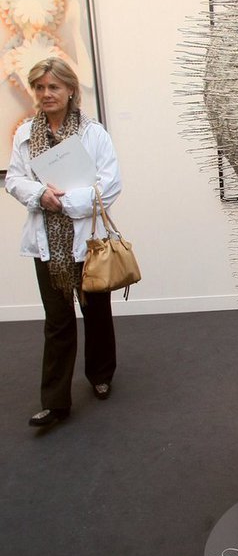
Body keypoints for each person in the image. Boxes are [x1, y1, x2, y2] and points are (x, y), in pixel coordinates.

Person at [6, 57, 122, 428]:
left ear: (71, 90)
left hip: (86, 242)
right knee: (57, 321)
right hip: (48, 245)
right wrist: (41, 194)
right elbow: (14, 180)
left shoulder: (92, 133)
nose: (46, 94)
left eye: (53, 86)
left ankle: (101, 374)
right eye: (39, 87)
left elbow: (110, 184)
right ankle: (55, 403)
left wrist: (66, 202)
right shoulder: (24, 134)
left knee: (96, 312)